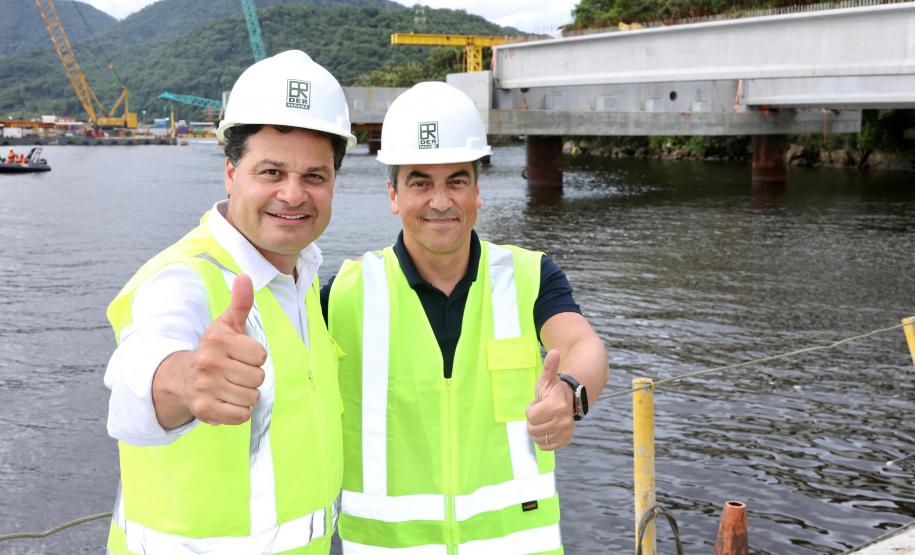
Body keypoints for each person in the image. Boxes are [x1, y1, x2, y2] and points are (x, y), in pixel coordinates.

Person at [323, 82, 610, 554]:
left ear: (477, 192)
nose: (441, 201)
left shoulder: (529, 275)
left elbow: (585, 348)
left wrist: (570, 394)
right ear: (393, 194)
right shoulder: (345, 296)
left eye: (456, 180)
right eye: (420, 182)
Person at [102, 50, 356, 555]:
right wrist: (186, 379)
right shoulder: (183, 276)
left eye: (314, 176)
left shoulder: (300, 277)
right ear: (230, 173)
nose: (293, 194)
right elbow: (142, 369)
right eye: (271, 172)